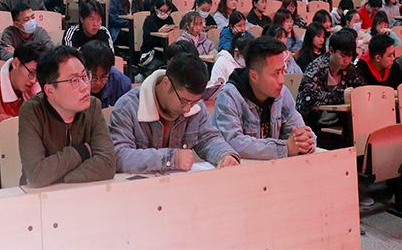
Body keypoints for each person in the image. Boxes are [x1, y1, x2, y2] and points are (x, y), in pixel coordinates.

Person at [109, 54, 240, 173]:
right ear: (166, 83)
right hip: (140, 187)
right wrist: (170, 158)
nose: (188, 109)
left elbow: (208, 139)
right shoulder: (128, 107)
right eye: (183, 101)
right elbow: (118, 156)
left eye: (194, 102)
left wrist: (225, 155)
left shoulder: (195, 106)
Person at [18, 45, 116, 187]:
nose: (85, 86)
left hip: (81, 190)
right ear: (50, 91)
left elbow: (107, 164)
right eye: (74, 81)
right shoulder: (33, 111)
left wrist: (59, 179)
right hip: (40, 196)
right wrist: (81, 151)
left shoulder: (93, 106)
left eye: (84, 76)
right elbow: (36, 174)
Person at [212, 36, 315, 160]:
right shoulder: (229, 96)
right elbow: (233, 142)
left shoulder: (282, 93)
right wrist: (285, 148)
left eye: (283, 71)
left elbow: (300, 131)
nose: (282, 80)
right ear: (254, 76)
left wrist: (306, 141)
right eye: (276, 73)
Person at [296, 30, 365, 128]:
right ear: (331, 50)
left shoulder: (349, 68)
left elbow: (361, 89)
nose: (346, 60)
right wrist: (343, 95)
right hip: (311, 122)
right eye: (343, 55)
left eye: (350, 56)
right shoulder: (316, 68)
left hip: (338, 119)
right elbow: (309, 98)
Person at [80, 40, 131, 108]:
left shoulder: (121, 83)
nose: (98, 83)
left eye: (103, 77)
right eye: (93, 77)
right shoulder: (72, 84)